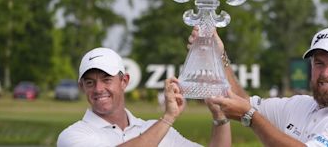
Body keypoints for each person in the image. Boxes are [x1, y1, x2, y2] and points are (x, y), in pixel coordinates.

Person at [189, 26, 328, 146]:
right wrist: (218, 56)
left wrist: (251, 116)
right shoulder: (299, 105)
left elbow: (247, 111)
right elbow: (239, 102)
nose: (326, 73)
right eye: (319, 63)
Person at [57, 47, 230, 147]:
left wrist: (219, 116)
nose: (98, 89)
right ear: (81, 87)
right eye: (90, 83)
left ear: (124, 81)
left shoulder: (157, 130)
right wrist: (168, 117)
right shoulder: (72, 135)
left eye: (106, 80)